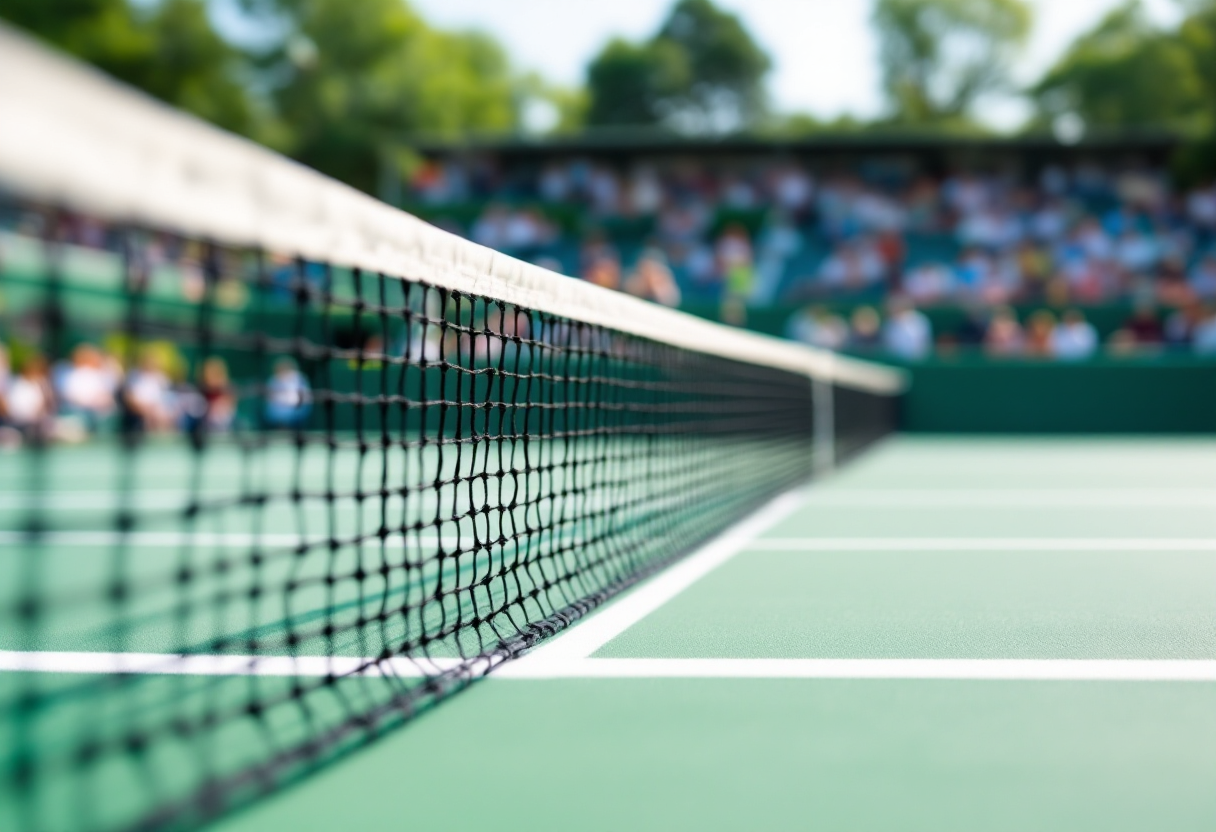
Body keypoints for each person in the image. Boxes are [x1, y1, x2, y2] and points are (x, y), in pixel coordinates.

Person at [57, 343, 119, 434]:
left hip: (98, 412)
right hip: (77, 412)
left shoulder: (97, 373)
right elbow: (71, 396)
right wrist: (91, 403)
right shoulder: (69, 374)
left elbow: (107, 392)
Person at [4, 353, 55, 442]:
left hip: (38, 423)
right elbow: (17, 412)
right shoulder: (17, 385)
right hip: (20, 424)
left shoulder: (41, 384)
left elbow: (49, 408)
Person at [123, 351, 176, 433]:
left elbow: (168, 397)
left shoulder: (161, 378)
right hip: (140, 409)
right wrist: (145, 408)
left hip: (158, 409)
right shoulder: (133, 376)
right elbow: (129, 398)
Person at [264, 358, 312, 429]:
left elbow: (306, 398)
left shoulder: (299, 379)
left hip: (298, 414)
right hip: (278, 417)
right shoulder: (273, 380)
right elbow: (270, 399)